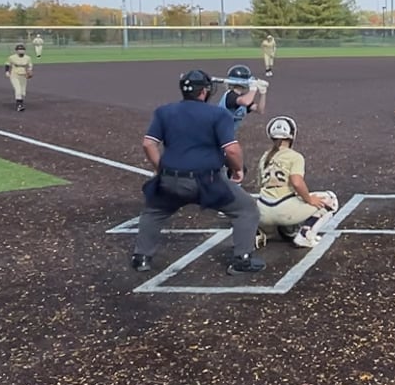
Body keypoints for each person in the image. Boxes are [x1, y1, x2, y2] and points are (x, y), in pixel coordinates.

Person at [131, 69, 263, 274]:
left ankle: (141, 258)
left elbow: (148, 144)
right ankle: (242, 260)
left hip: (170, 180)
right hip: (207, 182)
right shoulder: (218, 114)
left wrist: (161, 170)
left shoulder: (164, 112)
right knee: (246, 209)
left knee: (153, 212)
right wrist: (237, 169)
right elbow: (231, 150)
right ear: (204, 92)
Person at [254, 115, 339, 248]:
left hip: (262, 212)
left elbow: (260, 185)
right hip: (283, 211)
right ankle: (305, 236)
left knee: (290, 199)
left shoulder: (264, 157)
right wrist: (309, 200)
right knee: (330, 200)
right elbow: (297, 182)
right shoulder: (295, 156)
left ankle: (265, 232)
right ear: (291, 135)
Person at [4, 43, 34, 111]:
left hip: (23, 76)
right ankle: (19, 106)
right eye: (19, 49)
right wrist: (7, 72)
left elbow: (30, 66)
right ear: (16, 51)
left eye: (22, 49)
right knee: (18, 90)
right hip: (14, 75)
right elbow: (7, 64)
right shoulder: (12, 57)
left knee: (23, 92)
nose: (21, 51)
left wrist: (29, 71)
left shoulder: (28, 58)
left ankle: (20, 103)